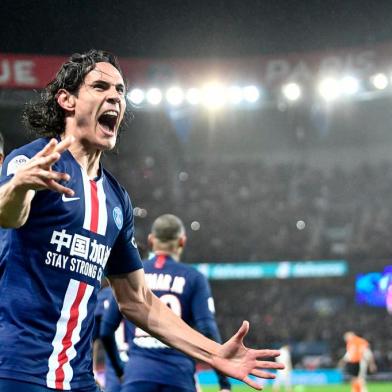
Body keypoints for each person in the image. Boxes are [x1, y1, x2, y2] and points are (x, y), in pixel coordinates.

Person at [0, 49, 283, 392]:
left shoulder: (116, 200)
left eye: (120, 90)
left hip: (79, 380)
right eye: (101, 86)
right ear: (67, 100)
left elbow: (138, 300)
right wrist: (18, 186)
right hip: (16, 373)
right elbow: (8, 215)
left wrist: (214, 353)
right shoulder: (34, 160)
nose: (115, 97)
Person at [100, 214, 231, 392]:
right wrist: (224, 382)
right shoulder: (194, 278)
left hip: (137, 375)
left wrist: (120, 371)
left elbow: (106, 331)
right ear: (182, 242)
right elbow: (207, 330)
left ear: (151, 241)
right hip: (178, 376)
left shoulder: (131, 274)